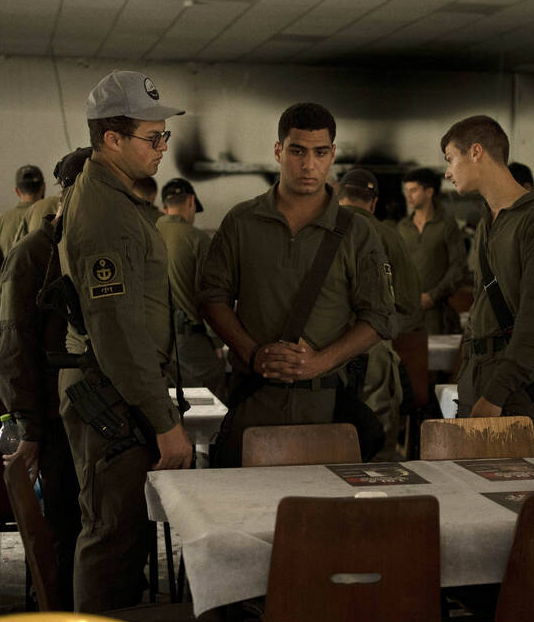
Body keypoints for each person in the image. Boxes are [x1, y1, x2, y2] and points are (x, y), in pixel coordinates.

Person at [55, 70, 192, 612]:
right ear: (112, 139)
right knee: (113, 538)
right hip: (112, 397)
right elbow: (118, 336)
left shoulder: (115, 198)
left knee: (124, 534)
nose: (162, 148)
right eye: (152, 138)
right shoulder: (106, 215)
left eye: (165, 137)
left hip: (118, 393)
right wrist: (165, 422)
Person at [198, 103, 396, 467]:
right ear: (278, 150)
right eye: (297, 151)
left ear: (332, 154)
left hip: (326, 405)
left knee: (320, 516)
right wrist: (253, 353)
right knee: (240, 513)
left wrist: (319, 363)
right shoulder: (242, 221)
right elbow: (213, 297)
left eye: (320, 153)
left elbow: (380, 318)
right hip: (253, 399)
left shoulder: (356, 231)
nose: (309, 165)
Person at [0, 148, 90, 611]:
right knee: (66, 531)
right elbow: (9, 348)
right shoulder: (35, 254)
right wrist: (28, 426)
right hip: (55, 418)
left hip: (100, 420)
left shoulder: (98, 245)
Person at [444, 115, 534, 455]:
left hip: (515, 386)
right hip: (479, 376)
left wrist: (496, 393)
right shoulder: (488, 222)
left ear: (475, 152)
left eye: (450, 158)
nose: (447, 171)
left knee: (516, 494)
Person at [338, 167, 421, 457]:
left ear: (339, 197)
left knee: (329, 442)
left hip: (325, 353)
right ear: (373, 203)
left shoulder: (318, 230)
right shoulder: (389, 235)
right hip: (374, 352)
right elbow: (410, 307)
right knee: (377, 449)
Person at [155, 177, 227, 403]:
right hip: (188, 341)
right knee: (211, 400)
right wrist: (216, 342)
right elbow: (208, 296)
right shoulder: (197, 239)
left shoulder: (148, 233)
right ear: (191, 202)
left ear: (164, 207)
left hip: (152, 339)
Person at [398, 167, 466, 334]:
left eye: (413, 190)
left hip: (435, 313)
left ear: (429, 192)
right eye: (406, 191)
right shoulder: (402, 227)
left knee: (435, 359)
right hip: (405, 314)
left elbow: (458, 267)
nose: (408, 196)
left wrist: (433, 296)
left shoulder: (446, 225)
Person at [0, 164, 44, 302]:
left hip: (11, 299)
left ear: (17, 191)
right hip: (45, 304)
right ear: (43, 187)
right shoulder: (52, 215)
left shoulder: (0, 221)